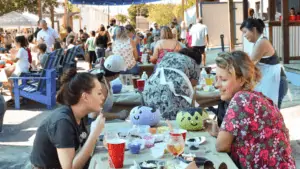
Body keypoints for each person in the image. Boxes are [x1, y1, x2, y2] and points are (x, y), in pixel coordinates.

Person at [205, 51, 296, 169]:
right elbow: (250, 139)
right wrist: (220, 133)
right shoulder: (259, 97)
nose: (216, 85)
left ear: (241, 80)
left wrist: (221, 137)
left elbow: (221, 146)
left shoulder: (240, 98)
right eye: (216, 78)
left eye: (223, 79)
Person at [30, 68, 106, 169]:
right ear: (85, 97)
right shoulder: (63, 122)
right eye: (99, 93)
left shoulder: (79, 114)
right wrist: (94, 134)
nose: (103, 97)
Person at [240, 18, 287, 108]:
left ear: (253, 30)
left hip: (277, 82)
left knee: (272, 116)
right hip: (272, 81)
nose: (244, 36)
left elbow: (249, 65)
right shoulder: (258, 42)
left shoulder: (262, 43)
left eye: (245, 32)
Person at [143, 48, 200, 120]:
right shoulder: (193, 62)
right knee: (180, 118)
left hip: (150, 87)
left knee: (156, 117)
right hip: (173, 91)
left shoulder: (168, 55)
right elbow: (194, 82)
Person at [89, 55, 130, 121]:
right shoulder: (101, 87)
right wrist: (118, 115)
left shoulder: (103, 77)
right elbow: (94, 115)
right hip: (92, 124)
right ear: (116, 75)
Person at [2, 35, 30, 105]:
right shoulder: (24, 49)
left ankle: (14, 97)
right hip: (24, 71)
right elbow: (18, 59)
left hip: (21, 72)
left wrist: (5, 59)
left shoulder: (21, 50)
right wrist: (8, 56)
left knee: (6, 79)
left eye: (15, 42)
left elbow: (15, 60)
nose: (14, 44)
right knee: (6, 76)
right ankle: (14, 97)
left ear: (19, 43)